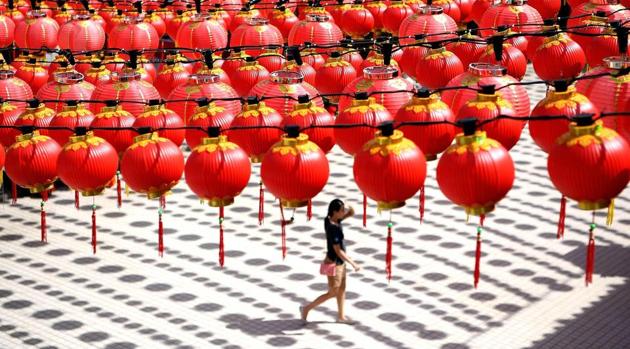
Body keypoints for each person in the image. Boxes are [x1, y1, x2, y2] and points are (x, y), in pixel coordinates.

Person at [300, 199, 361, 324]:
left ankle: (341, 316)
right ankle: (306, 308)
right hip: (333, 264)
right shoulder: (334, 229)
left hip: (338, 262)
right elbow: (338, 251)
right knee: (333, 292)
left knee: (342, 289)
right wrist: (353, 263)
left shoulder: (330, 219)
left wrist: (347, 206)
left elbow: (352, 212)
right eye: (341, 210)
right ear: (335, 212)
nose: (344, 212)